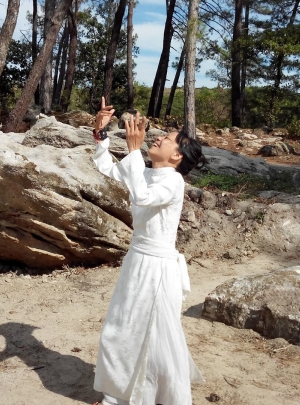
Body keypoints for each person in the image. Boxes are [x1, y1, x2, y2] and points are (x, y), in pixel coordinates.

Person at [91, 98, 205, 405]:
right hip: (137, 259)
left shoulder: (174, 182)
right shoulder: (146, 172)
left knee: (151, 334)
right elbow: (107, 168)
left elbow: (142, 198)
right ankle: (119, 394)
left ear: (177, 155)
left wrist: (133, 150)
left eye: (166, 139)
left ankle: (151, 395)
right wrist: (101, 133)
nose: (158, 138)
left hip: (156, 268)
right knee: (122, 327)